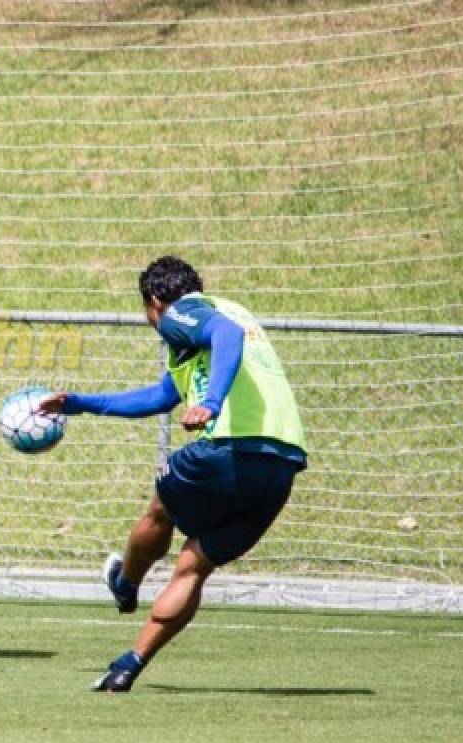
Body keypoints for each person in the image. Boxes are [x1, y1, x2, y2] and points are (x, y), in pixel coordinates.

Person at [38, 255, 308, 691]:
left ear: (155, 302)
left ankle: (125, 583)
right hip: (281, 465)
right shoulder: (233, 311)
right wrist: (80, 403)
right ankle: (128, 666)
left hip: (225, 448)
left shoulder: (180, 312)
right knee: (192, 565)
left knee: (162, 508)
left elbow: (224, 335)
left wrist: (213, 402)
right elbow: (162, 396)